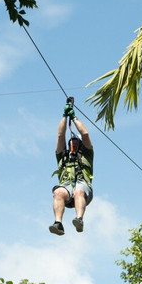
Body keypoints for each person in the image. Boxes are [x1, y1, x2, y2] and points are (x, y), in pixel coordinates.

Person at [50, 99, 93, 236]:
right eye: (71, 142)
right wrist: (64, 115)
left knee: (78, 191)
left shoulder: (86, 154)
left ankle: (79, 219)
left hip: (82, 186)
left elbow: (85, 134)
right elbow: (60, 135)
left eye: (76, 141)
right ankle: (58, 223)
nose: (73, 143)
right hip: (67, 185)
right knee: (58, 192)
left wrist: (74, 117)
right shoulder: (63, 155)